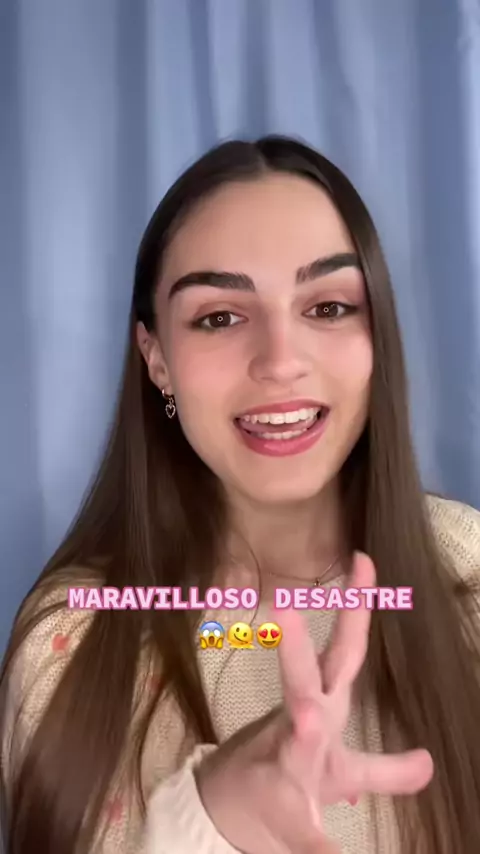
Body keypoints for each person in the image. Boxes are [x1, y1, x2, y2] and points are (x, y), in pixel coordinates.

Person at [1, 136, 480, 854]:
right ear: (156, 359)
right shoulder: (72, 645)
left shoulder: (469, 575)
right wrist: (206, 824)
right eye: (219, 317)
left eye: (329, 307)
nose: (280, 362)